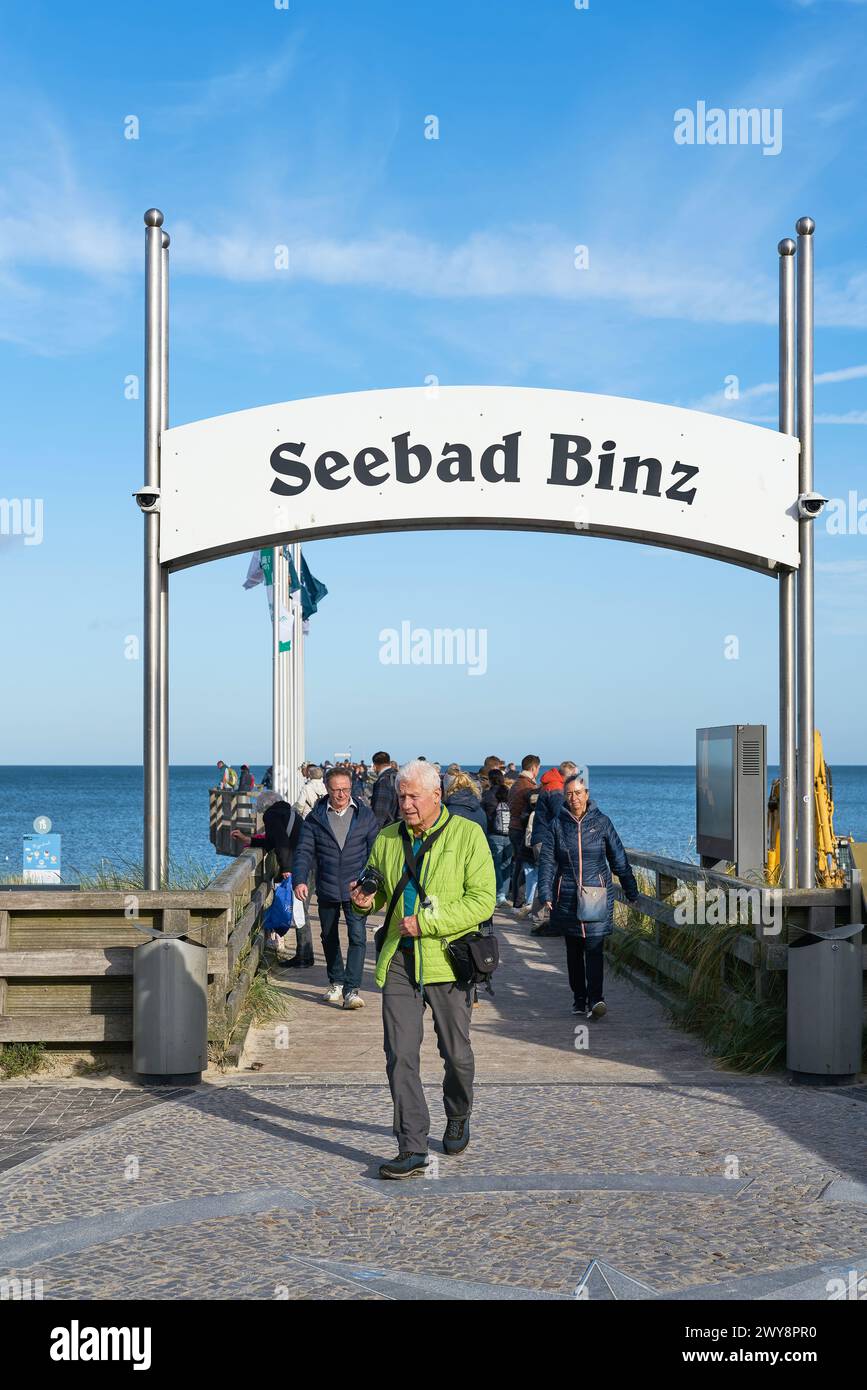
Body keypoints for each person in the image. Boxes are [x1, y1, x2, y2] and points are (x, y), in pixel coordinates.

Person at [350, 759, 495, 1179]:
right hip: (399, 959)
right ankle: (411, 1146)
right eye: (401, 796)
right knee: (400, 1054)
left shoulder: (468, 836)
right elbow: (378, 890)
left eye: (414, 797)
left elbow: (482, 901)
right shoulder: (388, 838)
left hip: (448, 959)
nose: (407, 804)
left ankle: (458, 1112)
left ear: (437, 796)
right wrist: (365, 900)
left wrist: (428, 923)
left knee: (456, 1054)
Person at [538, 775, 640, 1019]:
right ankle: (579, 999)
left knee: (594, 948)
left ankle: (596, 999)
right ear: (565, 796)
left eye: (578, 793)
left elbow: (618, 858)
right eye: (569, 794)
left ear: (587, 794)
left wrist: (630, 888)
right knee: (573, 951)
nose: (574, 798)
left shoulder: (602, 822)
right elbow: (547, 861)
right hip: (568, 895)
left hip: (596, 894)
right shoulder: (557, 824)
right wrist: (545, 891)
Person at [291, 767, 378, 1008]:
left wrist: (372, 884)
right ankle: (336, 982)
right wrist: (299, 879)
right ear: (326, 789)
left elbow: (375, 852)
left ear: (352, 789)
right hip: (327, 885)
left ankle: (352, 989)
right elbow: (304, 851)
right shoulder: (315, 817)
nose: (341, 794)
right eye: (336, 789)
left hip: (356, 888)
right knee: (329, 937)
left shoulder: (365, 815)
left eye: (346, 789)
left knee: (358, 937)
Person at [232, 790, 313, 966]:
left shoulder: (272, 815)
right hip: (308, 861)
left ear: (265, 807)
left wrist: (286, 868)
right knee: (301, 909)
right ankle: (305, 955)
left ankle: (304, 957)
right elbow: (272, 841)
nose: (262, 814)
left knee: (300, 911)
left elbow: (282, 842)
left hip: (298, 865)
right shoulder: (289, 813)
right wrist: (249, 840)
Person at [508, 754, 541, 915]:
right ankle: (521, 903)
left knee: (519, 866)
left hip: (513, 827)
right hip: (521, 829)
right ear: (534, 768)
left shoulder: (516, 783)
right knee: (524, 867)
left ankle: (518, 902)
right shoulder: (528, 786)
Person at [482, 769, 513, 905]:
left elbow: (484, 816)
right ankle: (503, 894)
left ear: (490, 779)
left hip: (493, 834)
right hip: (509, 833)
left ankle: (499, 895)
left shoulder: (487, 795)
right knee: (506, 865)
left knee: (496, 866)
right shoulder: (508, 793)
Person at [370, 750, 399, 827]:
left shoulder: (384, 781)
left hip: (387, 827)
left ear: (375, 766)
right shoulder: (397, 776)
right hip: (398, 824)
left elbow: (380, 811)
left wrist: (374, 830)